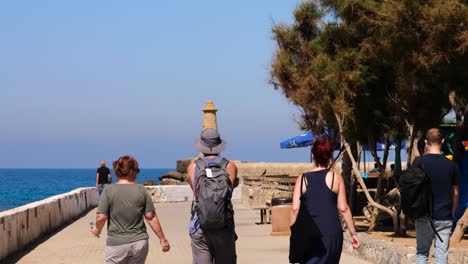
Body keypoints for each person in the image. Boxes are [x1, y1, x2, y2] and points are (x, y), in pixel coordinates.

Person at [291, 138, 359, 264]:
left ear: (313, 155)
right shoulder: (336, 178)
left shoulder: (302, 179)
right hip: (331, 234)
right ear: (329, 157)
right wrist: (353, 233)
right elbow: (343, 208)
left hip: (308, 234)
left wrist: (294, 234)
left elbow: (295, 209)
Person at [90, 155, 170, 263]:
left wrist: (97, 230)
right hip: (139, 243)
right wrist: (162, 240)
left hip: (116, 245)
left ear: (117, 171)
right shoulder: (142, 190)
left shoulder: (108, 191)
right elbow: (151, 217)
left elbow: (101, 217)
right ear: (133, 171)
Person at [187, 128, 239, 264]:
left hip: (200, 224)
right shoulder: (230, 166)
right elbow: (229, 191)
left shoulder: (193, 167)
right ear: (219, 144)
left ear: (202, 145)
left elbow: (195, 191)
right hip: (224, 224)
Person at [412, 128, 460, 264]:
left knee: (422, 253)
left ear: (426, 142)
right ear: (443, 142)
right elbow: (455, 193)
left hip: (422, 215)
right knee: (441, 256)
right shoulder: (451, 165)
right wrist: (452, 212)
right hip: (444, 216)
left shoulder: (418, 162)